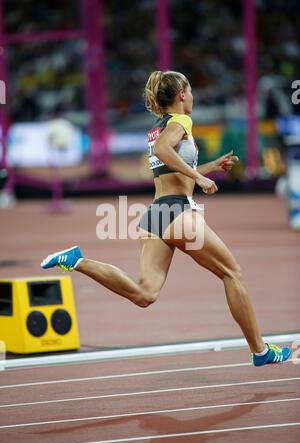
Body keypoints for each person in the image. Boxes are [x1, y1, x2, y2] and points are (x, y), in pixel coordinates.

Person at [41, 70, 291, 367]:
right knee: (232, 273)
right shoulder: (181, 121)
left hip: (157, 214)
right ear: (181, 95)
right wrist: (199, 176)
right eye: (191, 91)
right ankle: (260, 350)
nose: (194, 97)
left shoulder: (158, 128)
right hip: (178, 212)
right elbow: (165, 153)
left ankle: (78, 261)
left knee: (144, 293)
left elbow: (169, 167)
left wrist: (210, 166)